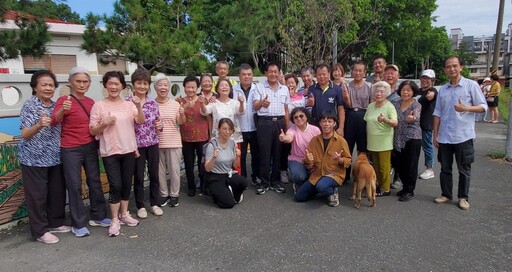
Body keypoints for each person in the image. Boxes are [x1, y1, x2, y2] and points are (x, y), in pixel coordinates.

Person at [51, 67, 110, 238]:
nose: (82, 84)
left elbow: (95, 125)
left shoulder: (91, 102)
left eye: (85, 82)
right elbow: (54, 121)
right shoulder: (64, 99)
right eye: (78, 81)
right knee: (75, 185)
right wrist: (63, 109)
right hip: (70, 148)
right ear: (70, 82)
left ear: (90, 84)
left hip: (90, 146)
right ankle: (78, 223)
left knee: (95, 181)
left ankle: (98, 216)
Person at [90, 71, 145, 237]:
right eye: (110, 83)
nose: (114, 87)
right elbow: (92, 130)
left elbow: (140, 121)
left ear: (122, 86)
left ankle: (124, 214)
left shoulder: (129, 104)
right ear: (105, 85)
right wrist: (104, 124)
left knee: (127, 184)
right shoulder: (99, 105)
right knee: (116, 185)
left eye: (117, 84)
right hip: (110, 152)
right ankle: (114, 219)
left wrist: (138, 106)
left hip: (129, 149)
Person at [19, 70, 70, 244]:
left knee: (56, 193)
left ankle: (55, 223)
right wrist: (39, 124)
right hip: (33, 158)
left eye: (51, 85)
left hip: (55, 156)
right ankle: (40, 231)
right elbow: (25, 134)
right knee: (37, 196)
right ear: (35, 87)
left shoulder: (56, 105)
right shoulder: (30, 106)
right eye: (44, 85)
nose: (48, 88)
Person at [433, 56, 487, 211]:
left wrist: (466, 108)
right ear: (444, 70)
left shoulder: (471, 85)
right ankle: (446, 194)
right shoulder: (442, 89)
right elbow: (437, 113)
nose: (452, 69)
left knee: (464, 169)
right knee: (445, 168)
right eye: (448, 67)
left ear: (461, 67)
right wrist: (435, 134)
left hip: (464, 136)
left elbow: (483, 106)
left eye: (455, 66)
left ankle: (463, 197)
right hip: (445, 136)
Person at [126, 69, 163, 219]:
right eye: (139, 83)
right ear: (133, 84)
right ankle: (140, 206)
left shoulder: (153, 103)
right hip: (136, 145)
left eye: (145, 83)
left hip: (153, 142)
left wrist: (159, 126)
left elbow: (158, 123)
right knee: (139, 177)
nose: (142, 86)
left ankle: (154, 203)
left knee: (154, 175)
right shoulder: (127, 103)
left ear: (149, 85)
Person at [295, 111, 351, 207]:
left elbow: (349, 160)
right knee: (299, 197)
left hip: (334, 174)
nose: (326, 124)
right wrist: (308, 159)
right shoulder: (314, 140)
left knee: (321, 186)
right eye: (324, 121)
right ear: (320, 123)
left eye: (330, 121)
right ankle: (322, 190)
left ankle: (332, 191)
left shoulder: (341, 141)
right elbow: (308, 162)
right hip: (317, 175)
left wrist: (340, 160)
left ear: (334, 124)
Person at [253, 62, 290, 195]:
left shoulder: (284, 89)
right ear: (266, 73)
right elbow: (255, 106)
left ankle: (275, 182)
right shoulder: (259, 87)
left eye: (276, 71)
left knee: (277, 154)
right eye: (270, 71)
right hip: (264, 123)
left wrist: (286, 128)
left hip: (279, 122)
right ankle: (264, 182)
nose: (273, 74)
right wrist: (262, 103)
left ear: (279, 73)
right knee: (264, 153)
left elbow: (286, 110)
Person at [154, 73, 185, 208]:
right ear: (155, 87)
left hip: (174, 141)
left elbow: (181, 122)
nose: (163, 87)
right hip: (157, 142)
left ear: (169, 87)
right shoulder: (151, 104)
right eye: (160, 85)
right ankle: (163, 194)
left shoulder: (175, 104)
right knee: (160, 171)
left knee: (174, 170)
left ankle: (174, 194)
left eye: (165, 85)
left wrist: (182, 113)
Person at [176, 76, 209, 196]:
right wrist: (184, 107)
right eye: (188, 87)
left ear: (197, 88)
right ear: (184, 87)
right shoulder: (179, 101)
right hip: (186, 137)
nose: (190, 89)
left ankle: (203, 184)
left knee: (203, 162)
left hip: (202, 137)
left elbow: (208, 114)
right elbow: (176, 119)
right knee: (189, 164)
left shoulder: (202, 100)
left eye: (193, 87)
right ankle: (191, 186)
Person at [204, 118, 247, 208]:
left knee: (243, 182)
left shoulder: (232, 143)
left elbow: (235, 165)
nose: (227, 132)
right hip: (215, 177)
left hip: (228, 174)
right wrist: (214, 158)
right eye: (224, 129)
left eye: (230, 129)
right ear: (219, 129)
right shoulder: (212, 145)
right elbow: (207, 168)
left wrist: (238, 156)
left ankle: (233, 193)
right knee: (229, 204)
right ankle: (215, 195)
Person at [364, 81, 398, 197]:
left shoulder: (389, 106)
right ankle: (378, 185)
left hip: (384, 142)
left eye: (382, 92)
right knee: (376, 166)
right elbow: (367, 121)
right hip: (372, 141)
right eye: (377, 91)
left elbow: (395, 122)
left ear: (387, 93)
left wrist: (385, 120)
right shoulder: (370, 106)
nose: (379, 94)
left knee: (384, 167)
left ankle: (386, 188)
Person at [391, 81, 422, 202]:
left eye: (409, 90)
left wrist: (412, 118)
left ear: (413, 91)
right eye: (404, 90)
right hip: (398, 137)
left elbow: (416, 116)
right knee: (398, 164)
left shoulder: (416, 105)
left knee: (411, 165)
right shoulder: (395, 103)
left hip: (412, 138)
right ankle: (405, 187)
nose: (406, 92)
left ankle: (409, 190)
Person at [279, 107, 321, 192]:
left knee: (319, 179)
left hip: (313, 160)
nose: (299, 119)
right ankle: (298, 184)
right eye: (296, 117)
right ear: (293, 119)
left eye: (301, 116)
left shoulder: (315, 129)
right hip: (297, 159)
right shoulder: (292, 130)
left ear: (306, 117)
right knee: (300, 176)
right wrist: (284, 138)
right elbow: (289, 138)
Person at [232, 64, 261, 186]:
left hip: (255, 128)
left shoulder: (257, 88)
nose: (246, 77)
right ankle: (242, 178)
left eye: (249, 74)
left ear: (252, 76)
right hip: (240, 128)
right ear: (239, 76)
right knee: (241, 155)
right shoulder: (233, 90)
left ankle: (256, 177)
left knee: (256, 155)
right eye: (243, 74)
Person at [344, 61, 372, 182]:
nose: (358, 73)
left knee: (363, 148)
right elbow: (346, 104)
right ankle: (345, 175)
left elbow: (371, 104)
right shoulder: (346, 86)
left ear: (364, 73)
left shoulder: (369, 86)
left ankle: (361, 174)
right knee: (347, 146)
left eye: (361, 70)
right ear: (352, 71)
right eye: (355, 70)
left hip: (364, 116)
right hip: (350, 115)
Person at [201, 78, 244, 143]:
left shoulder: (235, 103)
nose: (224, 87)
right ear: (217, 89)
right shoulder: (214, 103)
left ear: (230, 89)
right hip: (218, 137)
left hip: (233, 138)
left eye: (226, 85)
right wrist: (202, 103)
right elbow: (205, 111)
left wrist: (241, 102)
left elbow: (241, 112)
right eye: (222, 85)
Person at [307, 64, 345, 136]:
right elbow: (309, 104)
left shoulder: (336, 89)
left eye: (324, 74)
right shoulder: (312, 88)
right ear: (316, 75)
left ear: (329, 74)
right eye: (319, 75)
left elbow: (341, 109)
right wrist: (310, 103)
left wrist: (341, 127)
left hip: (331, 124)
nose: (322, 77)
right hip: (315, 125)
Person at [417, 69, 438, 180]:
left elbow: (432, 95)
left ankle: (430, 169)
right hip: (415, 123)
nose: (425, 80)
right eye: (423, 77)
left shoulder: (432, 90)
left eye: (428, 78)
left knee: (427, 146)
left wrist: (430, 95)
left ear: (432, 80)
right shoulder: (418, 91)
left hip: (426, 123)